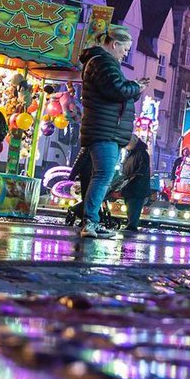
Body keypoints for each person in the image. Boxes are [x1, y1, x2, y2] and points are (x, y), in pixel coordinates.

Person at [78, 25, 146, 239]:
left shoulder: (104, 63)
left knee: (102, 175)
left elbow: (116, 90)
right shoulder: (102, 62)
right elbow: (117, 89)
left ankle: (91, 220)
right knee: (103, 175)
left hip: (106, 129)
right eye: (125, 49)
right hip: (103, 130)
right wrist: (135, 87)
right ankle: (90, 221)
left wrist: (132, 89)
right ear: (114, 44)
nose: (126, 54)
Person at [110, 134, 151, 233]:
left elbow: (141, 170)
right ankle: (131, 225)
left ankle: (132, 226)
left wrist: (132, 179)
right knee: (131, 208)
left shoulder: (141, 154)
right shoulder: (131, 154)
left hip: (137, 187)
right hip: (131, 186)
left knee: (134, 208)